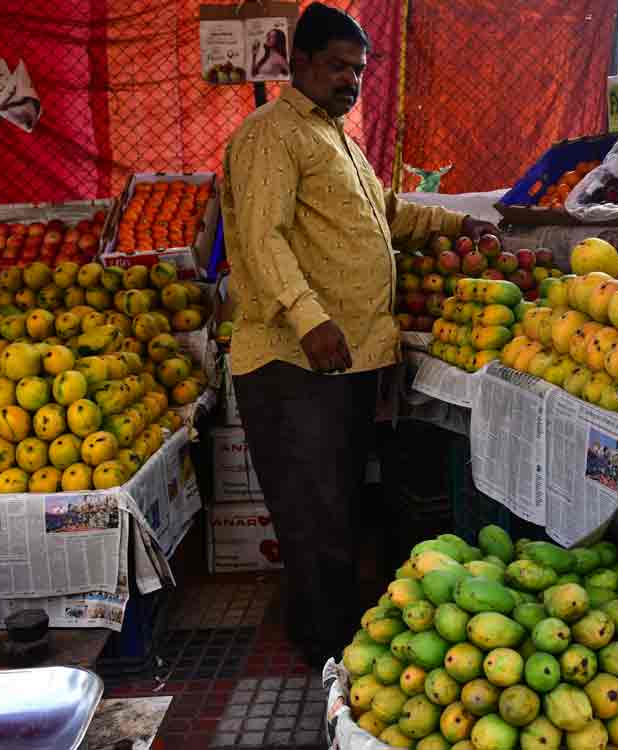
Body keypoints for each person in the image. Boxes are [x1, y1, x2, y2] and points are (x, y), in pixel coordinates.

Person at [220, 3, 498, 668]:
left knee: (339, 505)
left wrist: (457, 228)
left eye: (359, 70)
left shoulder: (337, 139)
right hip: (294, 360)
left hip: (342, 362)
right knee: (315, 514)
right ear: (303, 63)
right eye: (338, 67)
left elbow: (387, 214)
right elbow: (263, 238)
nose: (351, 80)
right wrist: (309, 316)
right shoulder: (271, 135)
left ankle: (332, 633)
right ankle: (326, 654)